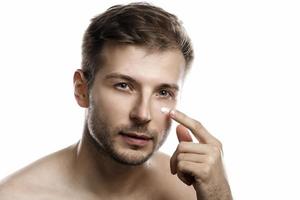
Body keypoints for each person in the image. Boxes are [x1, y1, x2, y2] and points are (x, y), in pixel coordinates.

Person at [0, 2, 232, 200]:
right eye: (123, 86)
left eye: (163, 92)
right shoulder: (17, 195)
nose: (142, 114)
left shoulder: (195, 191)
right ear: (82, 90)